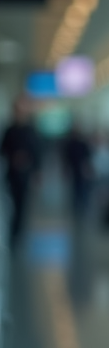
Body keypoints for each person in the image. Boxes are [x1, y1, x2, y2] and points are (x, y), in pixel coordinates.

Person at [0, 98, 41, 245]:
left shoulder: (30, 130)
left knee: (22, 203)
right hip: (12, 173)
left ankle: (19, 231)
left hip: (25, 173)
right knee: (13, 202)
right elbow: (3, 150)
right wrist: (14, 157)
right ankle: (14, 230)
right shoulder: (10, 130)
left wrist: (35, 170)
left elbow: (36, 152)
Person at [62, 121, 94, 222]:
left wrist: (87, 168)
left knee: (83, 188)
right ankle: (77, 206)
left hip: (81, 169)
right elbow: (66, 158)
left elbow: (87, 157)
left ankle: (82, 206)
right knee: (76, 188)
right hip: (75, 169)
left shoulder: (82, 143)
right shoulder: (70, 144)